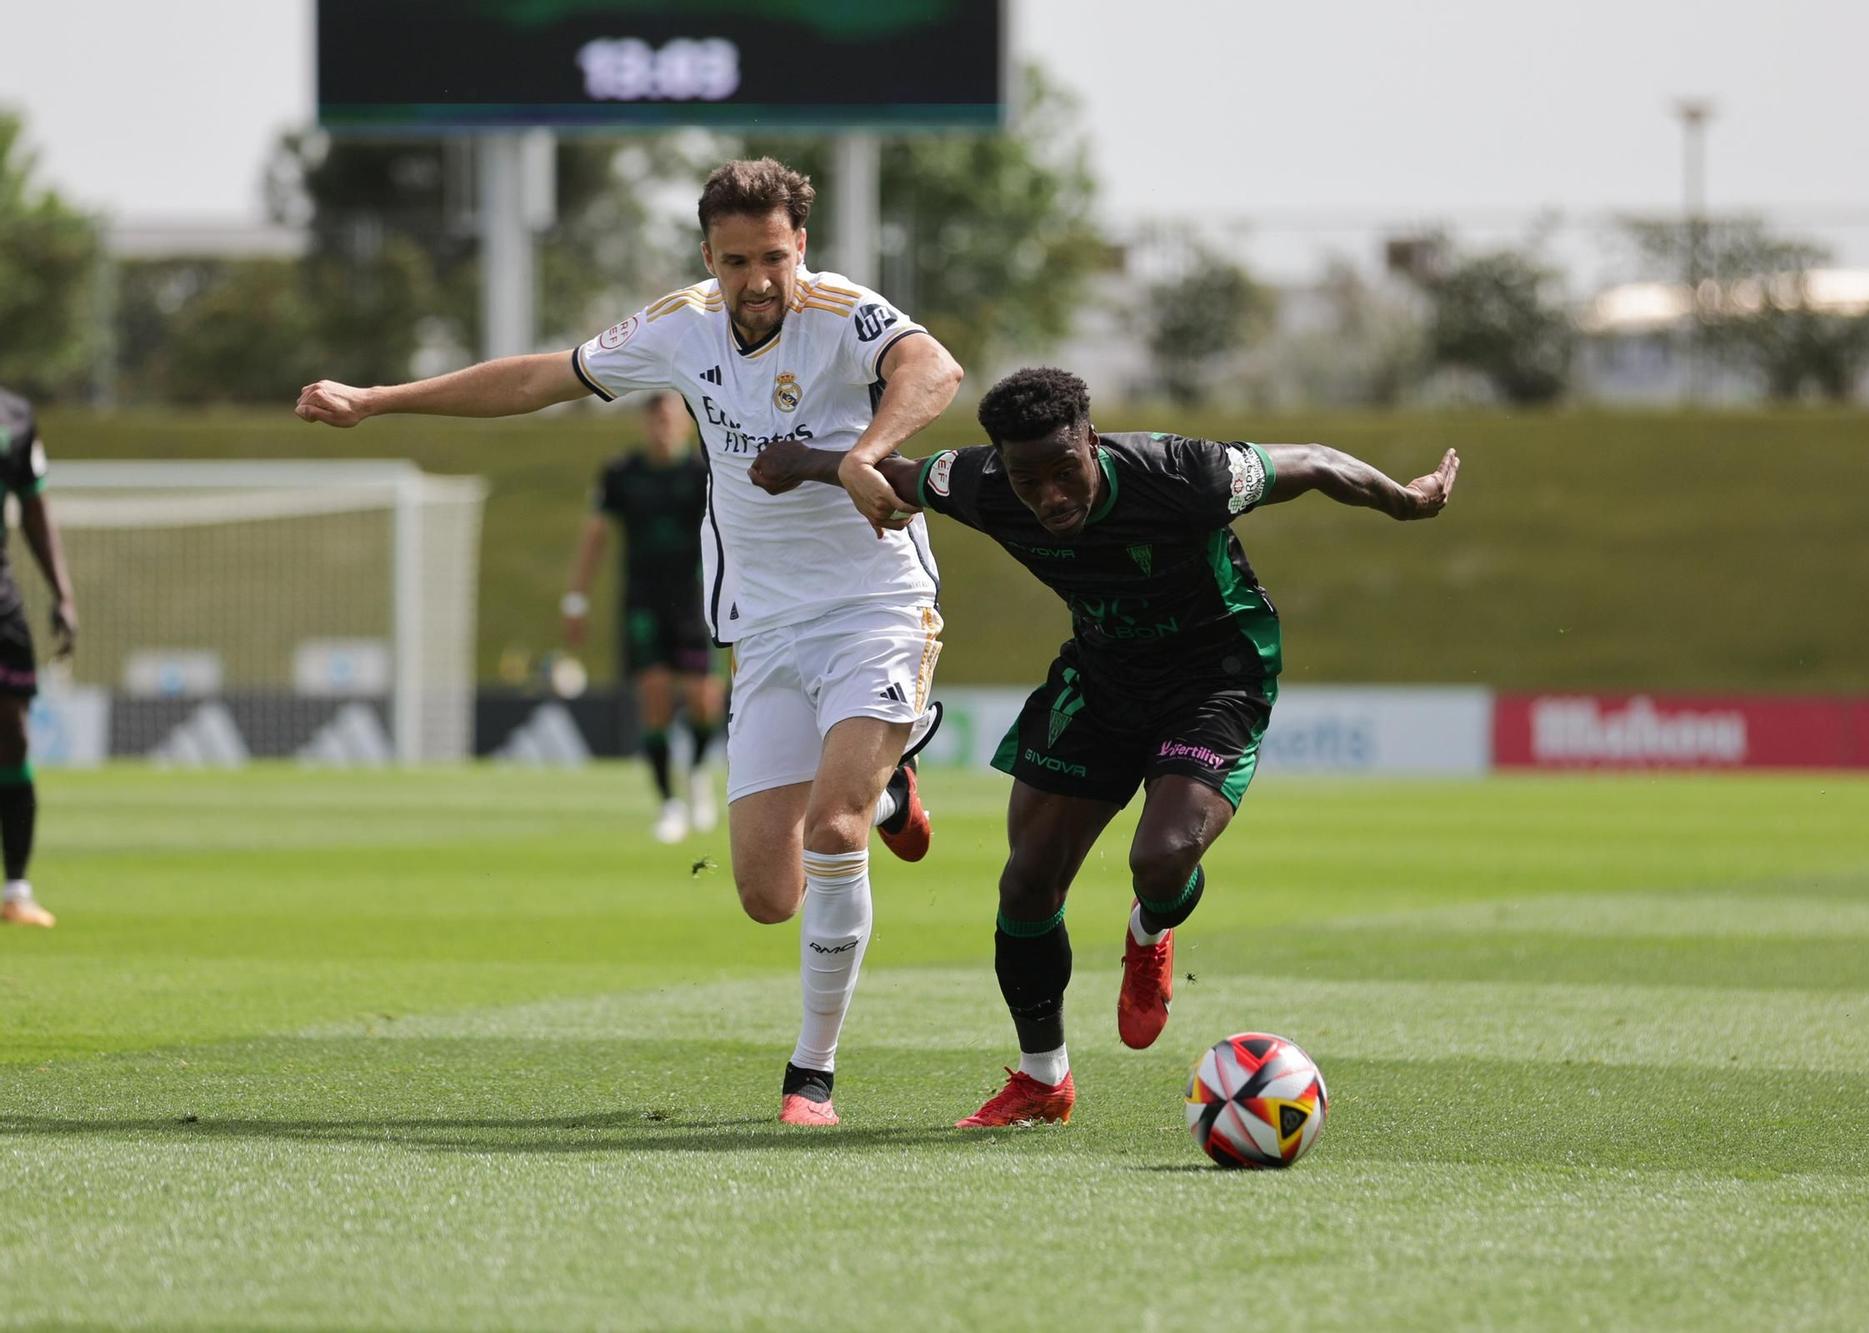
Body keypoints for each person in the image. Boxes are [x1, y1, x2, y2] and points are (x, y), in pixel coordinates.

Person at [297, 158, 963, 1126]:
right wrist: (380, 398)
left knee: (831, 833)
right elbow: (538, 377)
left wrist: (861, 456)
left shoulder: (844, 311)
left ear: (801, 247)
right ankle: (889, 780)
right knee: (767, 895)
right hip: (765, 627)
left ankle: (809, 1075)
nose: (758, 279)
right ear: (708, 256)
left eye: (774, 255)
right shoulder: (679, 326)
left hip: (875, 603)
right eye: (736, 260)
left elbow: (932, 369)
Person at [751, 366, 1458, 1127]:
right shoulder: (981, 482)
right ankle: (1043, 1079)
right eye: (1029, 481)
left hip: (1214, 674)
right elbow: (891, 475)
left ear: (1092, 439)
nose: (1051, 496)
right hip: (1102, 676)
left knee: (1161, 857)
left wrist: (1406, 500)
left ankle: (1150, 927)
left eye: (1066, 471)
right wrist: (807, 464)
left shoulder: (1186, 473)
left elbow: (1317, 460)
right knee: (1026, 884)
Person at [563, 391, 725, 843]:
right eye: (654, 420)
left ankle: (695, 773)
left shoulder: (703, 474)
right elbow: (595, 536)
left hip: (693, 599)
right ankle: (669, 803)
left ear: (686, 425)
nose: (662, 428)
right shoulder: (621, 474)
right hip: (642, 600)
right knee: (653, 695)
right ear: (644, 424)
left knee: (702, 698)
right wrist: (576, 598)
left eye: (670, 419)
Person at [0, 386, 79, 928]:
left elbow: (34, 506)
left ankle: (16, 890)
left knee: (12, 732)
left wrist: (63, 593)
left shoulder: (16, 415)